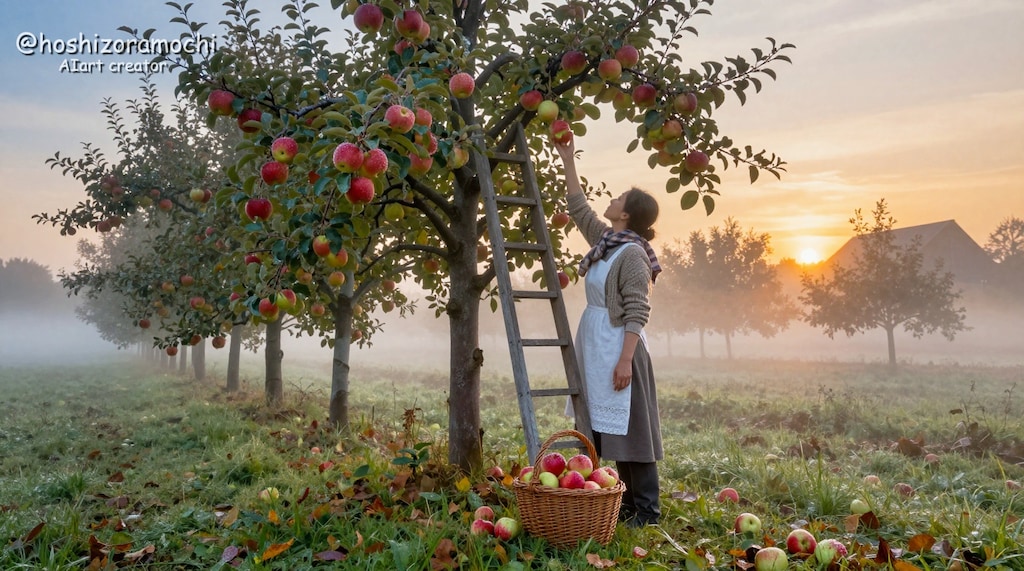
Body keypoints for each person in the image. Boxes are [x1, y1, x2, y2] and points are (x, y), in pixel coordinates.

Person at [554, 138, 664, 527]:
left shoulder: (631, 254)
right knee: (609, 428)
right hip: (598, 342)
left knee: (633, 428)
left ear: (627, 215)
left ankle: (646, 510)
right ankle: (625, 505)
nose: (612, 200)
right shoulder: (606, 242)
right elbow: (579, 208)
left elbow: (637, 310)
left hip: (622, 344)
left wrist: (625, 361)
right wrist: (567, 159)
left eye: (619, 198)